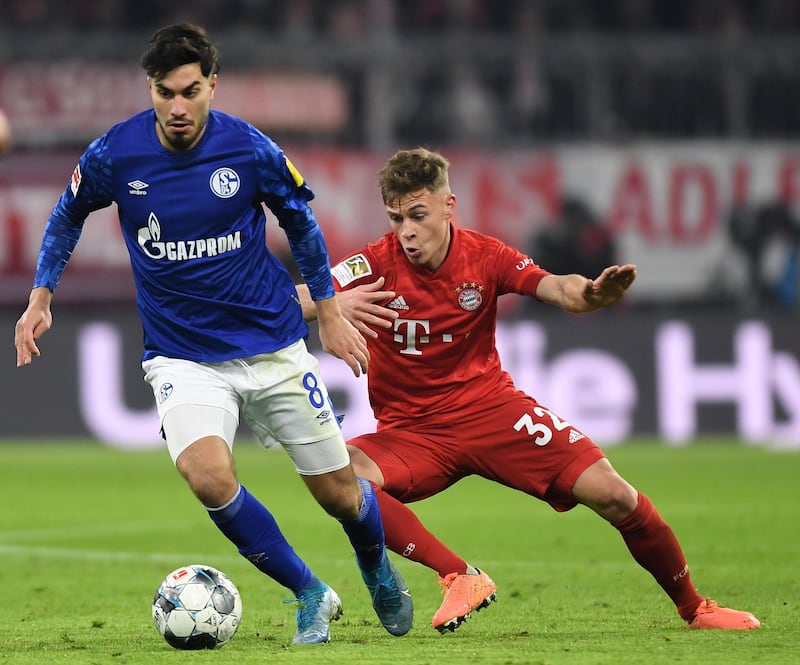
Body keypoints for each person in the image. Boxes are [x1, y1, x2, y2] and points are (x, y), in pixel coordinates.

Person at [13, 23, 412, 645]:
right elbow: (67, 214)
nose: (177, 107)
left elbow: (301, 224)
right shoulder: (115, 154)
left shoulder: (248, 149)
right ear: (149, 88)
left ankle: (375, 566)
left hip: (274, 344)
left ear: (212, 86)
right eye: (164, 92)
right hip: (183, 355)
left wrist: (328, 309)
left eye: (190, 92)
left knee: (338, 494)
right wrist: (41, 296)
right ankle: (309, 591)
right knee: (207, 475)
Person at [299, 147, 760, 633]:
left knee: (615, 495)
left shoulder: (486, 256)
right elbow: (304, 295)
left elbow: (557, 287)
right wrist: (330, 305)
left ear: (448, 206)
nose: (406, 231)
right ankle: (459, 574)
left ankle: (696, 608)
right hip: (414, 433)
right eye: (396, 218)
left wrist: (590, 295)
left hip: (491, 412)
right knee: (341, 478)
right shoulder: (372, 264)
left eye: (417, 215)